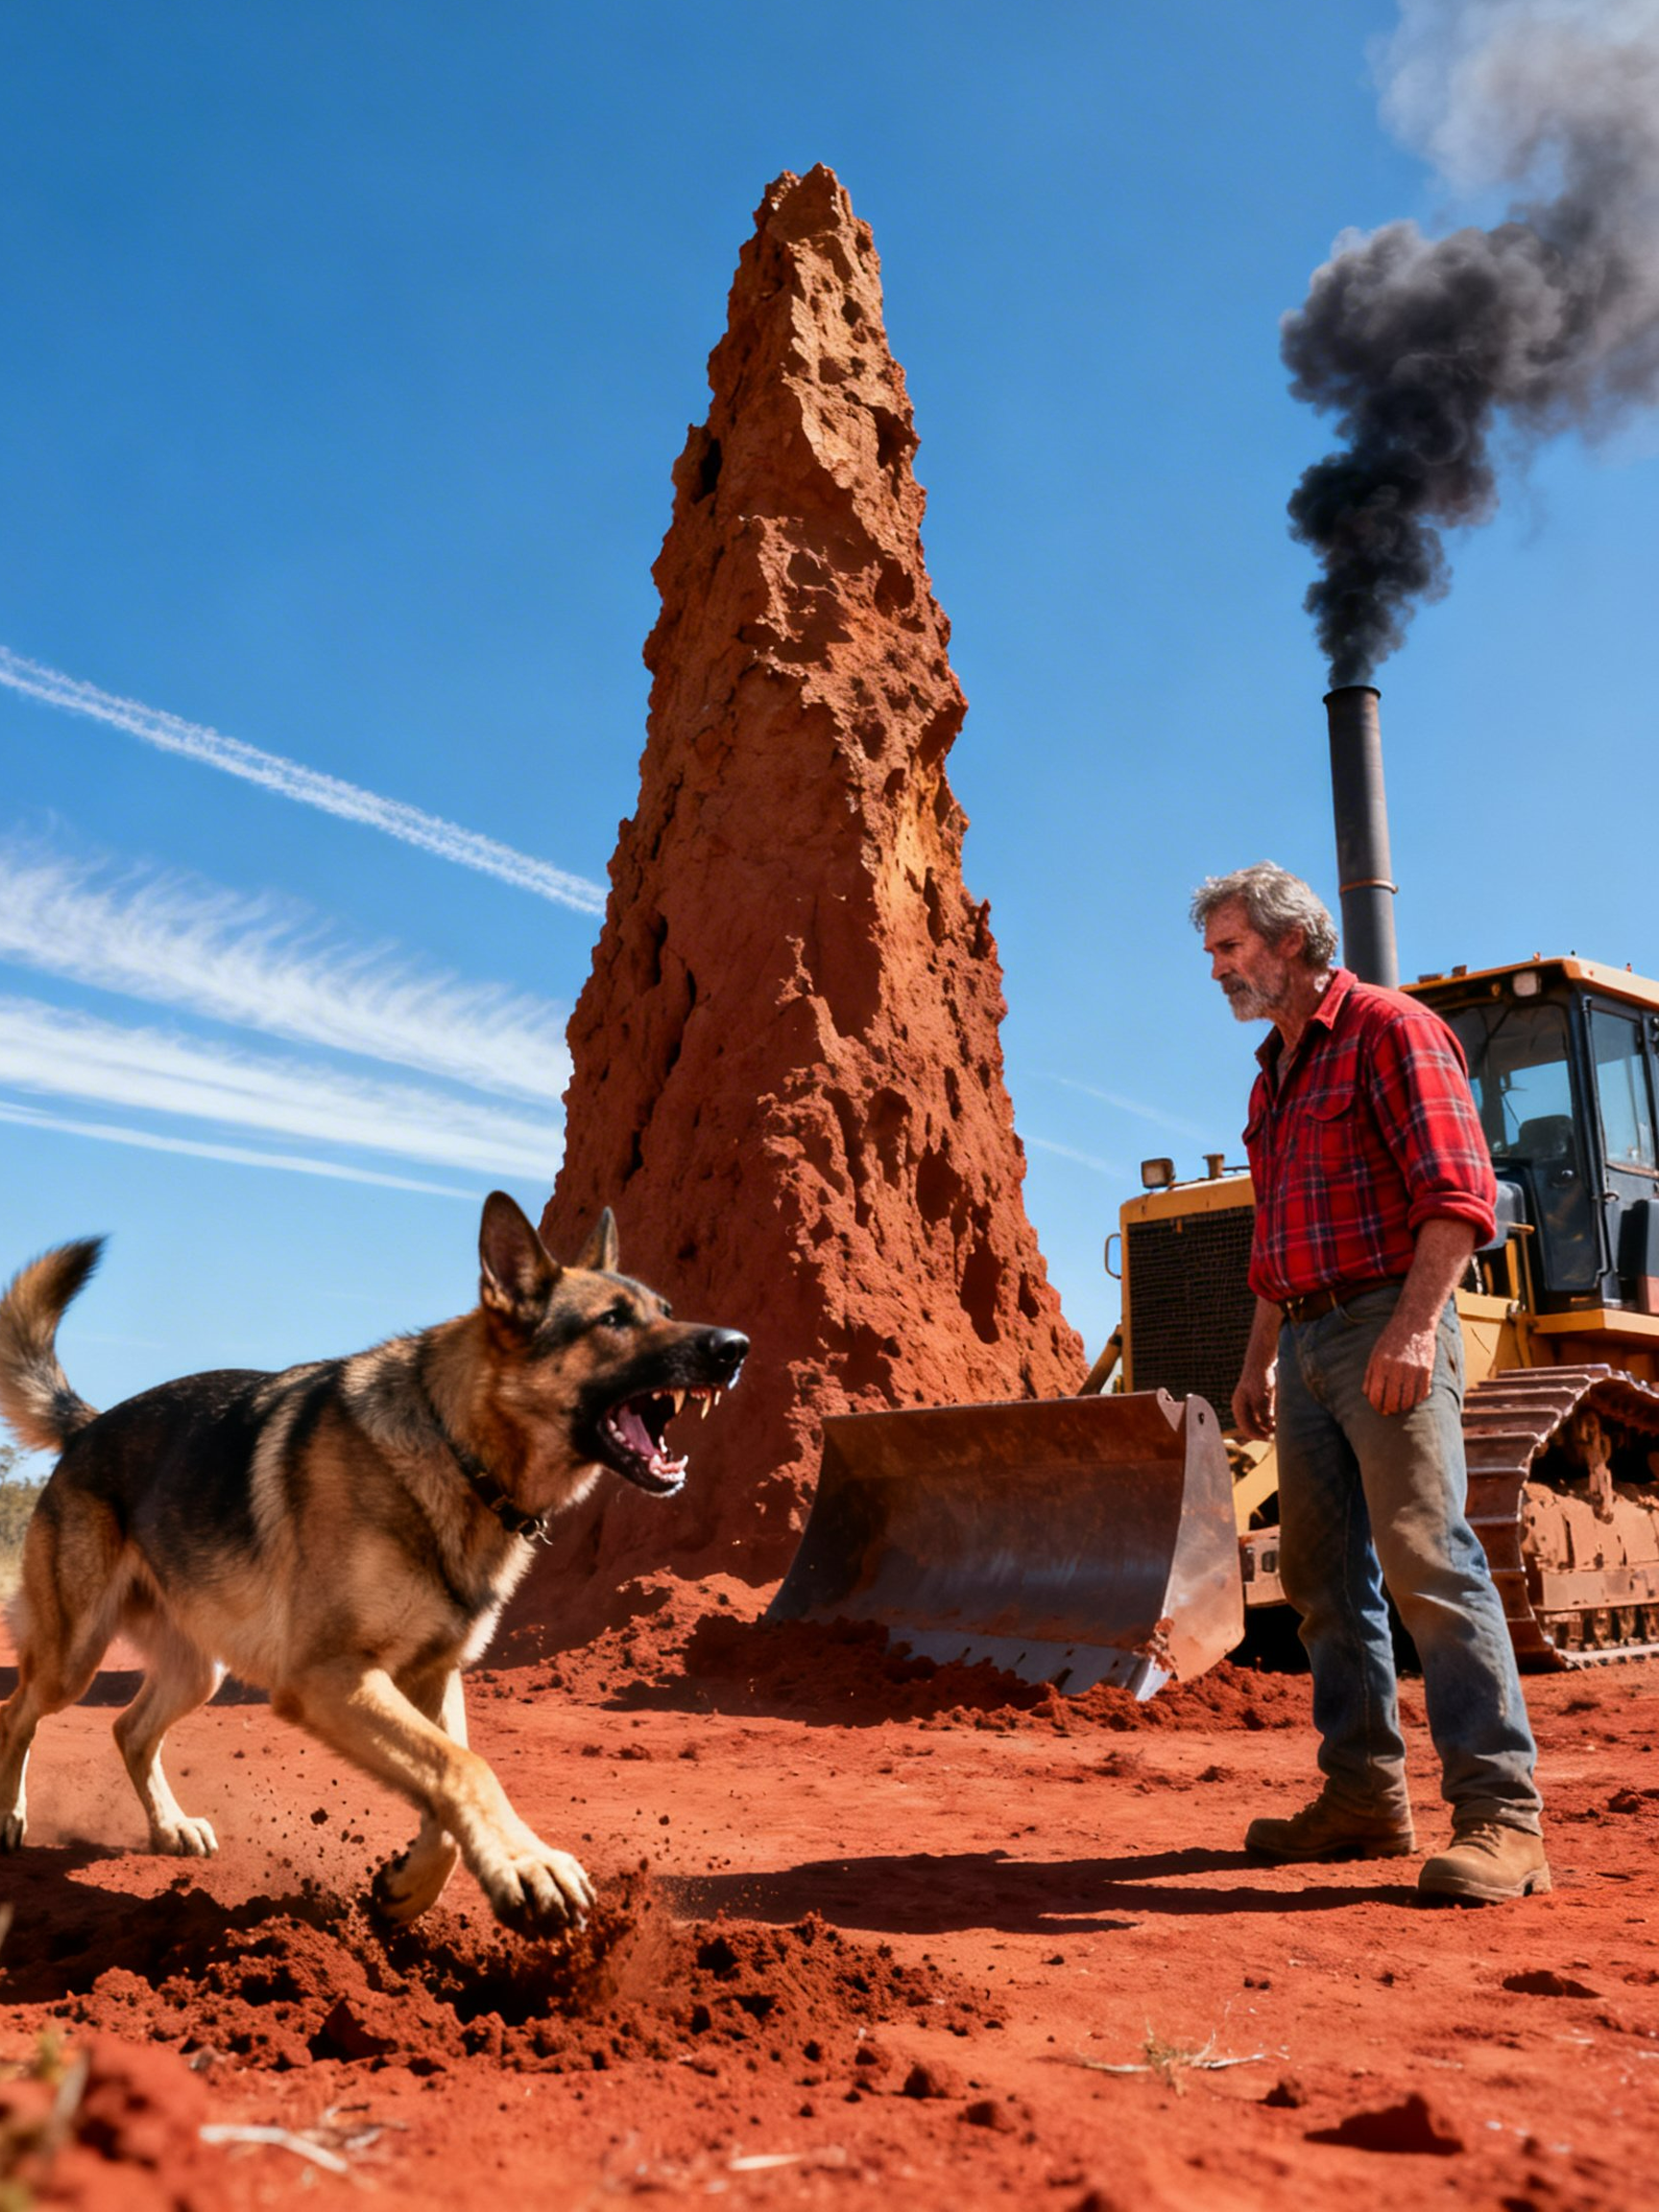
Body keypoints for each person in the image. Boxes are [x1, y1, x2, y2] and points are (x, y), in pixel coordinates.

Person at [1192, 861, 1549, 1904]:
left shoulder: (1393, 1031)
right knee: (1320, 1582)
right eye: (1213, 952)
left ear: (1288, 942)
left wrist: (1413, 1327)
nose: (1216, 970)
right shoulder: (1274, 1074)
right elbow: (1274, 1236)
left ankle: (1501, 1818)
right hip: (1303, 1345)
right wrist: (1260, 1358)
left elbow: (1457, 1193)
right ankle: (1363, 1798)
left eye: (1228, 948)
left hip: (1384, 1326)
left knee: (1426, 1562)